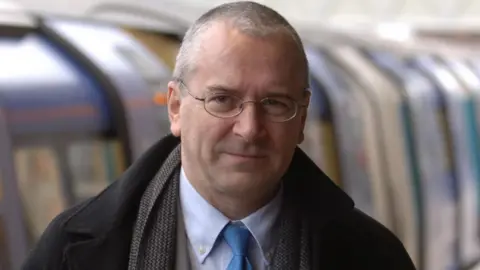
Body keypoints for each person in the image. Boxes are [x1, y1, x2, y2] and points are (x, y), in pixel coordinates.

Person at [22, 1, 416, 269]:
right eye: (223, 100)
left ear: (302, 118)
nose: (249, 129)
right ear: (175, 107)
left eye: (275, 103)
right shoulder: (72, 253)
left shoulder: (373, 257)